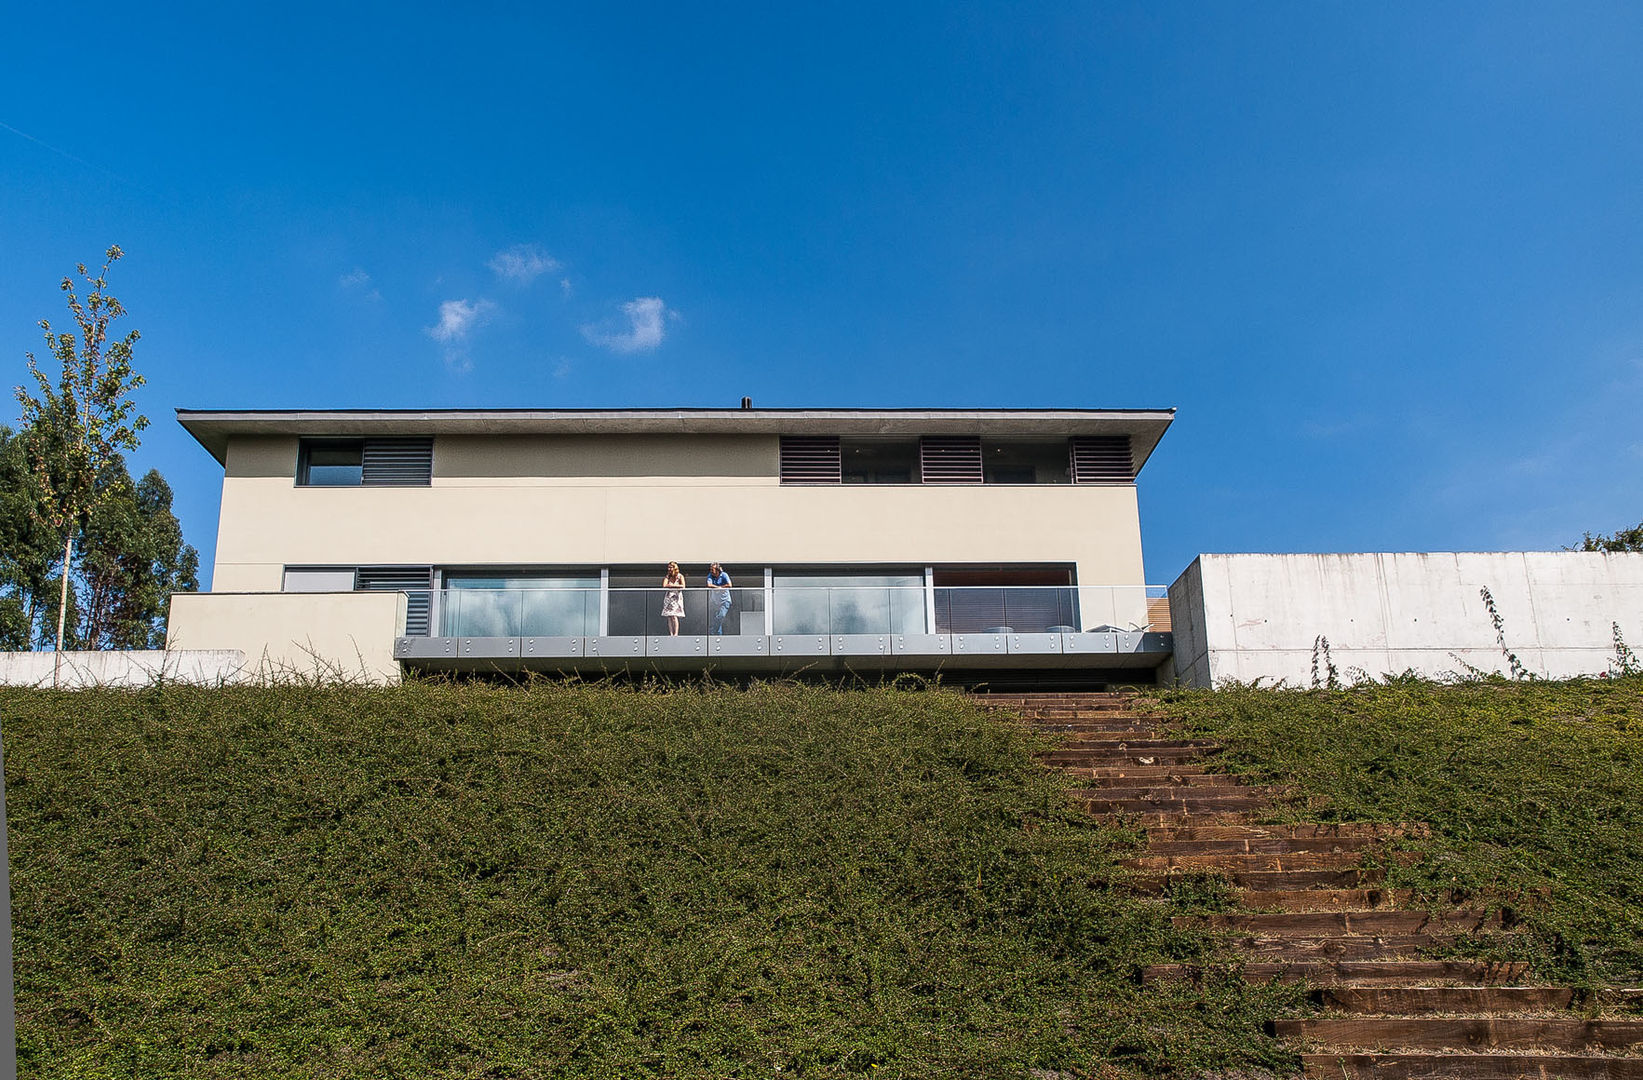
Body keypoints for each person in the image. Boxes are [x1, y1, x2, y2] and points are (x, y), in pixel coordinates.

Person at [706, 562, 733, 635]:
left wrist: (721, 588)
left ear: (717, 570)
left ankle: (712, 631)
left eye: (712, 569)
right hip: (715, 601)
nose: (711, 571)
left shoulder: (724, 575)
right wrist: (718, 587)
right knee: (716, 619)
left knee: (721, 616)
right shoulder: (710, 576)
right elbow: (709, 585)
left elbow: (729, 585)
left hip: (725, 601)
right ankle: (718, 635)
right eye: (710, 569)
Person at [661, 561, 686, 636]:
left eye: (670, 567)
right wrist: (674, 586)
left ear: (674, 568)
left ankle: (676, 633)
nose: (669, 569)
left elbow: (683, 586)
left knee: (674, 616)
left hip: (676, 597)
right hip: (669, 597)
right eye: (668, 567)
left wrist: (671, 586)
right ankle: (671, 633)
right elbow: (664, 585)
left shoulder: (680, 576)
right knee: (669, 616)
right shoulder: (668, 576)